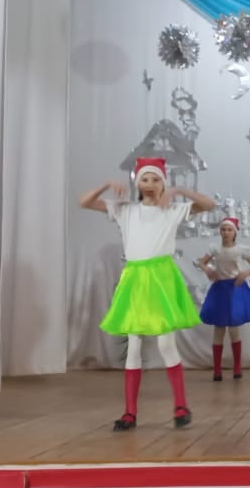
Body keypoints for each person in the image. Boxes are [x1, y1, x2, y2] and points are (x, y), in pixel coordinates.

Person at [79, 157, 215, 431]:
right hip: (136, 279)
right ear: (137, 184)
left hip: (161, 278)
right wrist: (106, 185)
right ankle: (130, 412)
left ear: (163, 184)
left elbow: (209, 205)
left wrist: (178, 191)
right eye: (145, 179)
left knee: (166, 344)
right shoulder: (125, 210)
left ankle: (181, 406)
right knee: (134, 345)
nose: (150, 184)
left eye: (155, 179)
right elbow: (85, 202)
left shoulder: (172, 210)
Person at [197, 217, 250, 381]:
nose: (226, 233)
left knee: (234, 329)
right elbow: (202, 263)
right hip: (220, 290)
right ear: (220, 232)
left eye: (229, 230)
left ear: (235, 232)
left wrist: (245, 273)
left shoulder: (241, 250)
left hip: (235, 289)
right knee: (219, 329)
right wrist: (207, 270)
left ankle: (237, 367)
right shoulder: (215, 249)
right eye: (223, 229)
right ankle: (217, 370)